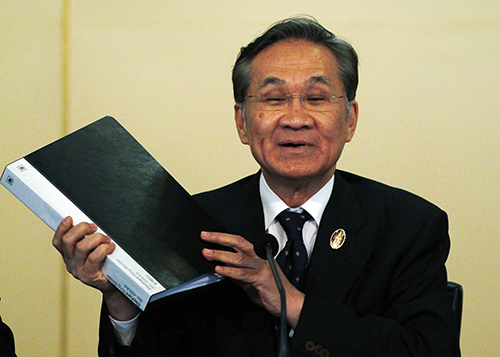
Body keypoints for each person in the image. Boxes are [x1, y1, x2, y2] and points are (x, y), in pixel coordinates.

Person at [52, 17, 461, 356]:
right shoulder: (192, 222)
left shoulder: (409, 225)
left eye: (317, 98)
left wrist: (291, 301)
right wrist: (122, 297)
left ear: (350, 119)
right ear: (242, 122)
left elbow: (429, 350)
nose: (295, 118)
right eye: (273, 99)